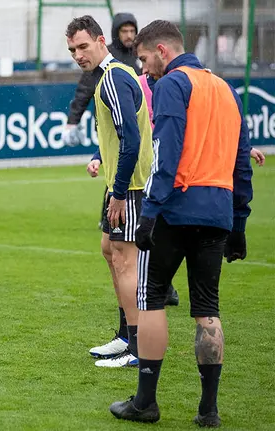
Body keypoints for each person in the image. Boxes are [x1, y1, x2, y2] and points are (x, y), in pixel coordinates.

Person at [109, 20, 254, 427]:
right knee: (207, 308)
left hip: (176, 209)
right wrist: (239, 221)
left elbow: (165, 153)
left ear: (162, 50)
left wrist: (151, 213)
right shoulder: (226, 89)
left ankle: (145, 403)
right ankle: (209, 411)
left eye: (143, 59)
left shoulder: (173, 84)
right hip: (219, 211)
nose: (144, 69)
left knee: (151, 297)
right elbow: (242, 162)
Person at [66, 16, 153, 367]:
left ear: (102, 41)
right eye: (72, 49)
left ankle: (136, 347)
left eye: (83, 46)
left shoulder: (114, 78)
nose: (77, 55)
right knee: (109, 249)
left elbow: (130, 138)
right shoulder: (111, 75)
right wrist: (101, 158)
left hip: (129, 187)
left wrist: (118, 192)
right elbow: (120, 134)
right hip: (119, 184)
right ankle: (124, 336)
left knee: (124, 259)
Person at [63, 12, 140, 147]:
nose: (129, 35)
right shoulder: (97, 59)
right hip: (110, 131)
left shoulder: (140, 55)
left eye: (132, 31)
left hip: (138, 127)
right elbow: (83, 92)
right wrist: (72, 122)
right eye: (124, 31)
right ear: (116, 32)